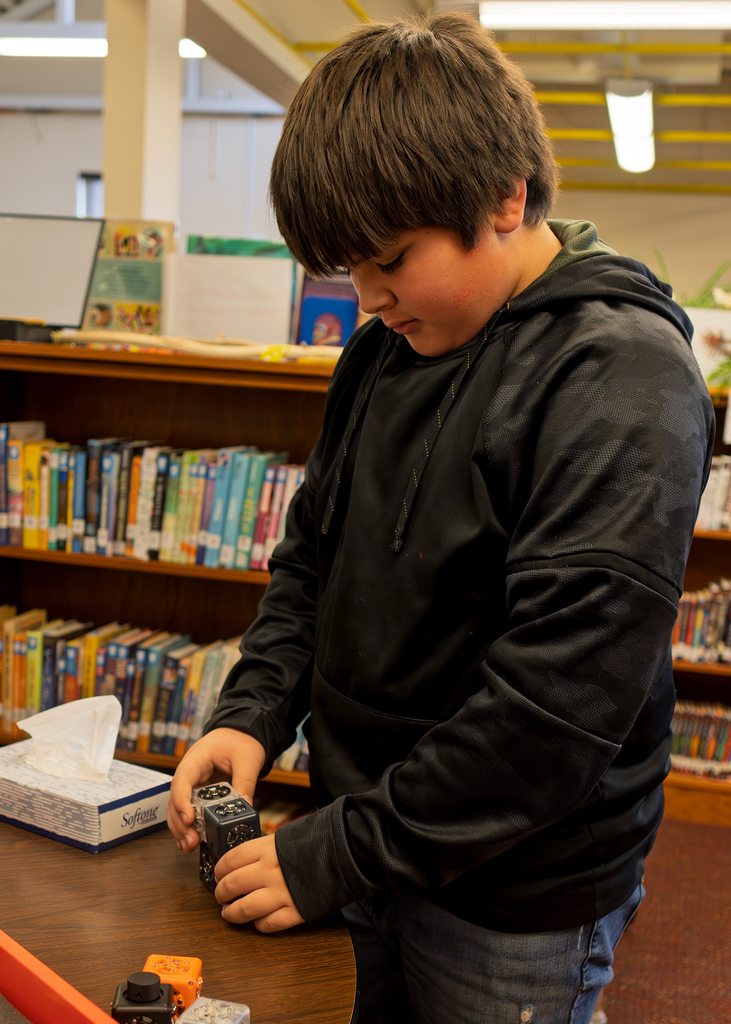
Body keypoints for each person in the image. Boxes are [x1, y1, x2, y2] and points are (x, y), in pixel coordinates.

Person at [168, 13, 715, 1023]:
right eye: (347, 270)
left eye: (390, 259)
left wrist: (331, 851)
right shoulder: (385, 348)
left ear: (504, 198)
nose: (368, 299)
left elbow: (551, 712)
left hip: (514, 891)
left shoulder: (621, 378)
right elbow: (311, 559)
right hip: (360, 835)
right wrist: (252, 712)